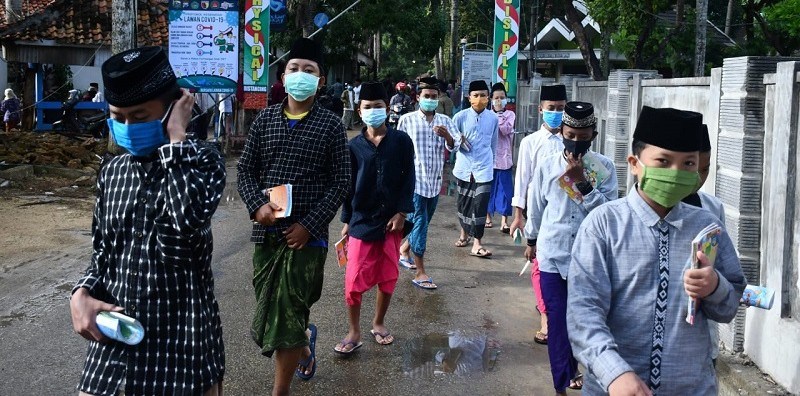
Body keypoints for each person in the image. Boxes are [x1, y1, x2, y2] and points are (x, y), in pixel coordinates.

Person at [68, 46, 226, 395]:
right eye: (117, 117)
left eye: (139, 117)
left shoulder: (203, 161)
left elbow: (183, 228)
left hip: (182, 352)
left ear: (173, 109)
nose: (127, 127)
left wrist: (176, 141)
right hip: (117, 344)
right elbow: (103, 254)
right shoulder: (113, 170)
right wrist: (81, 292)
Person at [567, 106, 746, 395]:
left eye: (688, 164)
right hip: (613, 389)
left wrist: (714, 287)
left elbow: (729, 307)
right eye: (663, 161)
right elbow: (583, 314)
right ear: (635, 164)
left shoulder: (708, 227)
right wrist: (614, 373)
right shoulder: (603, 225)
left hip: (690, 386)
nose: (676, 173)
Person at [236, 37, 350, 394]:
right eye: (294, 69)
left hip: (306, 240)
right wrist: (257, 205)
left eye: (309, 70)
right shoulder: (265, 120)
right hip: (266, 237)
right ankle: (303, 346)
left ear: (321, 79)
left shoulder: (331, 126)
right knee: (271, 308)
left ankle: (280, 390)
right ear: (283, 77)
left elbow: (341, 183)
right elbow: (245, 171)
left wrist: (308, 225)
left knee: (288, 313)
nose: (301, 75)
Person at [526, 102, 618, 395]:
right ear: (562, 132)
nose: (576, 142)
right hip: (552, 253)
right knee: (556, 318)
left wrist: (583, 185)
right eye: (570, 135)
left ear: (593, 134)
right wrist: (531, 240)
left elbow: (609, 215)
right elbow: (537, 207)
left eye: (583, 136)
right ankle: (561, 384)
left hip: (588, 259)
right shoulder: (547, 165)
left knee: (583, 320)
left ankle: (582, 370)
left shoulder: (605, 168)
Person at [335, 81, 415, 354]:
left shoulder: (402, 141)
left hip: (391, 222)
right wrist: (346, 219)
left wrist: (402, 212)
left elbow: (409, 178)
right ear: (360, 110)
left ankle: (378, 322)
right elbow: (346, 185)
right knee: (354, 278)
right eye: (368, 107)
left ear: (387, 108)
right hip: (361, 220)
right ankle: (354, 330)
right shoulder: (353, 146)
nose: (373, 111)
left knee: (388, 275)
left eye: (378, 106)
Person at [509, 84, 567, 345]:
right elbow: (522, 180)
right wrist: (518, 214)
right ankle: (546, 318)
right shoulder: (531, 142)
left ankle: (553, 309)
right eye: (551, 108)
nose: (556, 113)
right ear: (540, 109)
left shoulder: (572, 140)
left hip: (567, 214)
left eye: (561, 109)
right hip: (537, 212)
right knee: (540, 263)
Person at [397, 77, 458, 290]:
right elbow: (400, 150)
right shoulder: (407, 120)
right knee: (420, 223)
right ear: (418, 98)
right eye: (427, 96)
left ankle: (404, 249)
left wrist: (447, 136)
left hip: (435, 182)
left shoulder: (444, 121)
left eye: (434, 97)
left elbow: (456, 145)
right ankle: (421, 271)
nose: (430, 100)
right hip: (415, 181)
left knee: (422, 221)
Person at [681, 124, 726, 367]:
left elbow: (728, 274)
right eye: (692, 167)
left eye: (705, 169)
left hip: (702, 336)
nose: (699, 177)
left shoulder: (713, 209)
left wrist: (717, 283)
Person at [452, 80, 499, 258]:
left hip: (484, 168)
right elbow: (451, 145)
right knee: (464, 204)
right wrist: (459, 141)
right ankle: (464, 234)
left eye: (483, 95)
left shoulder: (493, 118)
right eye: (476, 95)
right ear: (469, 97)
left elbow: (493, 143)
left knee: (480, 204)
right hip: (464, 167)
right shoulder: (460, 117)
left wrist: (491, 164)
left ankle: (477, 242)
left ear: (488, 97)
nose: (480, 98)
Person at [485, 83, 516, 233]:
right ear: (491, 99)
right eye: (496, 98)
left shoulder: (510, 115)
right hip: (489, 160)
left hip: (504, 160)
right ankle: (488, 217)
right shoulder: (486, 115)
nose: (499, 101)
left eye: (502, 98)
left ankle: (504, 221)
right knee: (488, 190)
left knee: (505, 191)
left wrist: (499, 114)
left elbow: (505, 130)